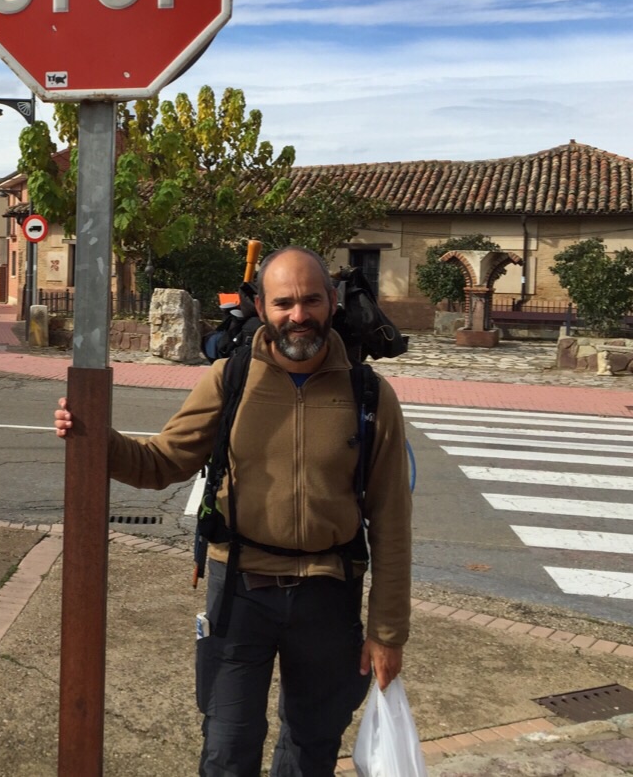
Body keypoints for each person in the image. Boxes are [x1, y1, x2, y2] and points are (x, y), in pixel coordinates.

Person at [53, 246, 411, 777]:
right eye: (283, 303)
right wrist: (94, 440)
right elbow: (161, 462)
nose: (298, 315)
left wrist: (388, 630)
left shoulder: (369, 394)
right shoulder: (231, 378)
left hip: (329, 596)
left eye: (311, 300)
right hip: (240, 591)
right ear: (261, 307)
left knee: (312, 750)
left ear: (332, 302)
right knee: (226, 750)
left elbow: (391, 518)